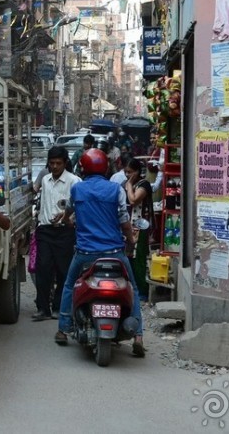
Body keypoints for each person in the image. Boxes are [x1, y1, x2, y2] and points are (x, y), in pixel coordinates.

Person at [54, 148, 144, 357]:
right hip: (114, 252)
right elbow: (124, 223)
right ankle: (138, 335)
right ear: (105, 167)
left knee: (68, 285)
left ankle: (63, 328)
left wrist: (69, 221)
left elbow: (68, 212)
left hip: (85, 253)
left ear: (83, 167)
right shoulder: (116, 190)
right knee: (133, 288)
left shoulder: (78, 189)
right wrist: (130, 243)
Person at [32, 146, 80, 321]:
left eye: (58, 163)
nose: (54, 167)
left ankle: (59, 307)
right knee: (43, 269)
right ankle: (42, 308)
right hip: (45, 229)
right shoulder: (45, 180)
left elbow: (79, 207)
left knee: (64, 271)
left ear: (65, 163)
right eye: (51, 163)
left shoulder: (75, 181)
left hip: (65, 231)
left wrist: (68, 217)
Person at [122, 158, 153, 299]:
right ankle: (130, 287)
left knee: (138, 258)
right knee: (128, 257)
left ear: (137, 172)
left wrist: (129, 186)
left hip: (141, 227)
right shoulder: (125, 184)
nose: (128, 175)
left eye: (130, 172)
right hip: (128, 226)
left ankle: (142, 291)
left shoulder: (143, 184)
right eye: (126, 172)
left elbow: (134, 200)